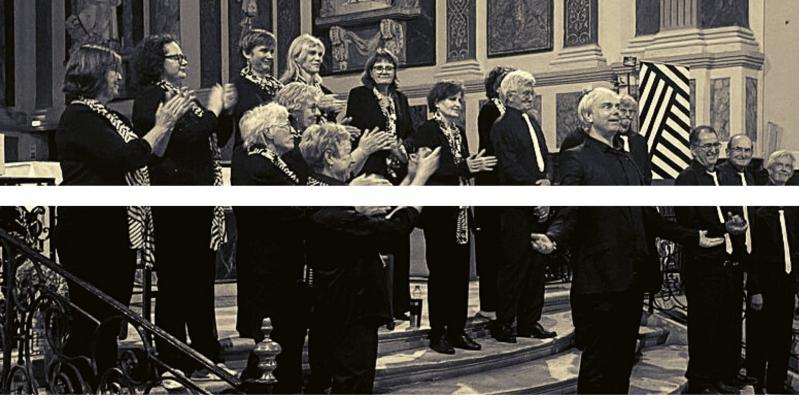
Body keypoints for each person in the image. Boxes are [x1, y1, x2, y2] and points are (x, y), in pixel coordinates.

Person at [529, 87, 724, 394]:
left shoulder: (628, 159)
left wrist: (693, 237)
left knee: (622, 362)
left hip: (632, 277)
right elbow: (569, 211)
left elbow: (649, 216)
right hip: (600, 279)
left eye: (618, 107)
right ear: (588, 116)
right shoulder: (576, 158)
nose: (617, 112)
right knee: (598, 364)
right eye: (607, 107)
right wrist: (553, 239)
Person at [55, 44, 191, 391]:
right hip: (89, 230)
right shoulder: (78, 117)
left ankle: (107, 381)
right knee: (90, 317)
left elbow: (148, 156)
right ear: (94, 74)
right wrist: (160, 126)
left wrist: (167, 126)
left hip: (117, 229)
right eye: (114, 70)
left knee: (111, 317)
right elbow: (123, 158)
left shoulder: (113, 117)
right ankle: (77, 385)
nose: (119, 77)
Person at [300, 123, 441, 393]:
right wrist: (421, 180)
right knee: (353, 381)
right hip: (350, 307)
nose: (352, 159)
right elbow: (393, 230)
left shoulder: (325, 191)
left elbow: (383, 215)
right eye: (346, 153)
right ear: (329, 158)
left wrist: (409, 178)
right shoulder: (331, 208)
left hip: (339, 304)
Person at [131, 34, 236, 385]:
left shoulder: (181, 96)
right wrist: (213, 109)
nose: (183, 61)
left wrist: (225, 112)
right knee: (176, 283)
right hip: (174, 201)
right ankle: (171, 359)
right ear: (156, 62)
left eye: (182, 56)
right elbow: (185, 137)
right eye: (175, 57)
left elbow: (213, 137)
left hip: (198, 200)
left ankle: (206, 354)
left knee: (201, 281)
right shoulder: (151, 96)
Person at [409, 80, 497, 354]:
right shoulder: (427, 130)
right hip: (438, 213)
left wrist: (471, 166)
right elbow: (431, 169)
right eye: (451, 100)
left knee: (460, 275)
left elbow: (462, 166)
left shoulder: (458, 131)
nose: (457, 104)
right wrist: (465, 166)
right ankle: (438, 333)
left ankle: (458, 330)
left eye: (459, 100)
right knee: (441, 274)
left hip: (460, 210)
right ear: (437, 103)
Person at [231, 103, 309, 393]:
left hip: (282, 262)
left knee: (288, 331)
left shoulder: (276, 161)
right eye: (285, 125)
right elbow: (294, 207)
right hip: (268, 266)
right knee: (277, 330)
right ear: (267, 133)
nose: (292, 130)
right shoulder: (257, 166)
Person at [673, 125, 750, 394]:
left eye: (716, 145)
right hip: (703, 266)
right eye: (706, 146)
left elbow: (731, 212)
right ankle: (701, 381)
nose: (712, 150)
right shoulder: (687, 179)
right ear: (693, 149)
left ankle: (724, 374)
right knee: (704, 326)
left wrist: (737, 223)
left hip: (729, 262)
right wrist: (723, 228)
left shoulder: (724, 176)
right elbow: (687, 222)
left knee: (728, 323)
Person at [345, 48, 413, 321]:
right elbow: (357, 129)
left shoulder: (401, 98)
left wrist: (401, 148)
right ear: (370, 72)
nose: (384, 71)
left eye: (389, 67)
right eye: (378, 67)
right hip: (371, 171)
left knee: (399, 233)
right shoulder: (359, 95)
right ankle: (378, 305)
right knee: (377, 235)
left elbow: (410, 132)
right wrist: (382, 143)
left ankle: (400, 303)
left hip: (398, 172)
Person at [490, 70, 555, 342]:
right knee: (514, 266)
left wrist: (547, 182)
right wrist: (536, 189)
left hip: (538, 201)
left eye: (532, 92)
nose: (531, 97)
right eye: (526, 93)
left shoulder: (532, 121)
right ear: (509, 96)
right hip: (516, 206)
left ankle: (530, 321)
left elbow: (545, 157)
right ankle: (505, 323)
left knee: (536, 267)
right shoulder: (501, 126)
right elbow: (509, 166)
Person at [747, 150, 799, 394]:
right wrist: (755, 289)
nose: (784, 169)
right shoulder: (758, 199)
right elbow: (752, 250)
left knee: (782, 338)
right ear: (769, 169)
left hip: (786, 283)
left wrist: (796, 289)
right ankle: (755, 385)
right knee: (759, 338)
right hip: (763, 283)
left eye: (789, 166)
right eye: (779, 164)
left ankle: (777, 388)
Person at [277, 82, 394, 184]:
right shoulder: (288, 144)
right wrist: (363, 150)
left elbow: (346, 175)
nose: (318, 113)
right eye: (312, 108)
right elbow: (328, 177)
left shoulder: (304, 137)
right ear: (295, 110)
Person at [474, 66, 514, 323]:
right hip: (491, 184)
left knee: (504, 249)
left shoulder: (510, 112)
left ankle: (506, 303)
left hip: (504, 185)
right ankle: (490, 304)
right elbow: (494, 146)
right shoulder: (490, 110)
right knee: (491, 248)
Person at [228, 29, 283, 166]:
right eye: (264, 51)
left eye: (271, 51)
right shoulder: (237, 87)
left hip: (277, 156)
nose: (270, 56)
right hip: (249, 157)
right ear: (247, 53)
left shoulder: (279, 87)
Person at [279, 34, 344, 119]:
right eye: (312, 53)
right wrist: (318, 105)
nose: (318, 59)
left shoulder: (326, 92)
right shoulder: (286, 88)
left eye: (320, 55)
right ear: (296, 57)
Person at [615, 94, 652, 185]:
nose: (628, 115)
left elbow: (646, 172)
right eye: (623, 110)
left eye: (631, 111)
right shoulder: (609, 139)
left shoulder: (640, 141)